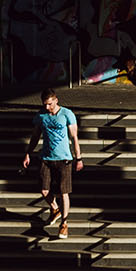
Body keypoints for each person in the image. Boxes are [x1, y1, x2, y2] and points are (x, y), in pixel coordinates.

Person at [19, 87, 82, 238]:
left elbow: (74, 138)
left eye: (50, 104)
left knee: (63, 192)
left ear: (56, 100)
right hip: (46, 158)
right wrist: (28, 153)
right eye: (44, 105)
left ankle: (64, 224)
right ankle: (55, 209)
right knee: (44, 190)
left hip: (64, 158)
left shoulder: (67, 114)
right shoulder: (41, 116)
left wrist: (78, 158)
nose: (47, 108)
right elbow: (35, 136)